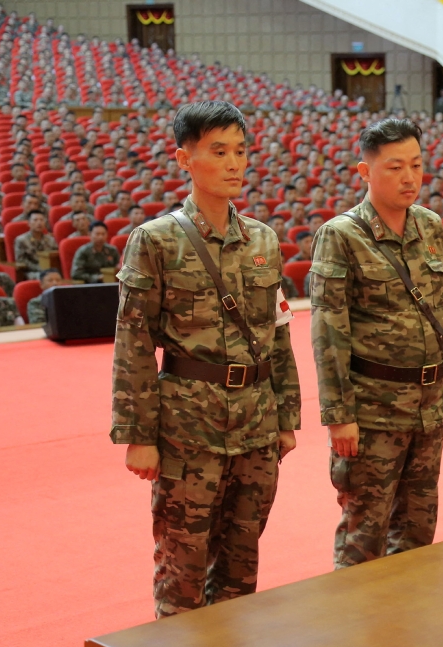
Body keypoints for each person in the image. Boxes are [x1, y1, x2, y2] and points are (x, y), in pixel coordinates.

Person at [111, 100, 301, 619]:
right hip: (187, 429)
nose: (234, 163)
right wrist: (139, 437)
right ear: (184, 159)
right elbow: (132, 345)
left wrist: (287, 418)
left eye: (240, 151)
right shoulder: (154, 241)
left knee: (242, 567)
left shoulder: (261, 238)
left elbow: (277, 335)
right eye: (218, 152)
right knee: (183, 568)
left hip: (256, 425)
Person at [310, 117, 443, 569]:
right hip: (373, 409)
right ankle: (356, 633)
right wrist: (339, 417)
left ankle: (408, 630)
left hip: (427, 404)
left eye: (416, 165)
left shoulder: (430, 226)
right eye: (395, 167)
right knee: (365, 533)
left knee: (418, 530)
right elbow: (328, 332)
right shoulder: (341, 235)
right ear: (365, 171)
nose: (409, 177)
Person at [14, 211, 59, 279]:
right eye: (35, 220)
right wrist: (39, 268)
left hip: (50, 270)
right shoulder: (21, 240)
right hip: (31, 271)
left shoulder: (51, 240)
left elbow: (55, 257)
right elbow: (21, 261)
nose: (39, 223)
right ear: (29, 223)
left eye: (41, 220)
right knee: (46, 278)